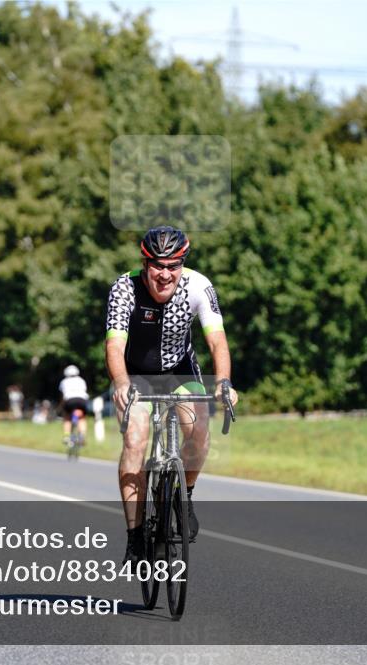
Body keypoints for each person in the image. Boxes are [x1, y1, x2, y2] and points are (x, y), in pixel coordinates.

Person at [105, 226, 239, 563]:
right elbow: (114, 345)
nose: (165, 274)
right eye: (157, 266)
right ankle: (135, 536)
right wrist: (121, 383)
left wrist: (223, 382)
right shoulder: (125, 288)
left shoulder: (199, 286)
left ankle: (185, 495)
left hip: (179, 371)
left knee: (199, 431)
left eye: (173, 266)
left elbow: (217, 340)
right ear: (145, 262)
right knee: (136, 440)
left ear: (183, 264)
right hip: (135, 375)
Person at [58, 365, 89, 447]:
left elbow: (62, 396)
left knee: (67, 417)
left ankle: (67, 436)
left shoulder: (64, 381)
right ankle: (82, 436)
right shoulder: (81, 380)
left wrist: (61, 407)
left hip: (70, 400)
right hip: (82, 400)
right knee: (81, 419)